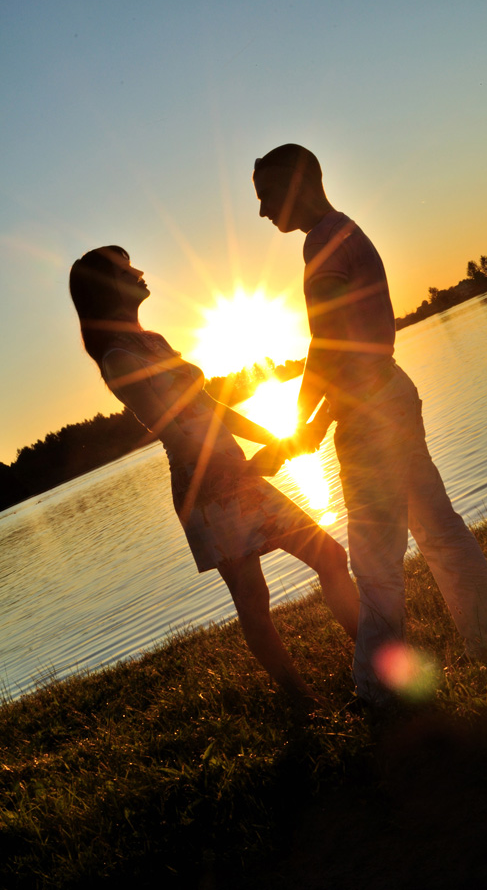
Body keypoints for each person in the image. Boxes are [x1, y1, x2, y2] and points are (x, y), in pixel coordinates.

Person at [253, 144, 487, 705]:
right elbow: (355, 351)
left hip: (373, 413)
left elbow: (328, 345)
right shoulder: (346, 232)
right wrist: (317, 424)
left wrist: (300, 422)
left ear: (297, 184)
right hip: (388, 394)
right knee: (439, 529)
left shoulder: (321, 242)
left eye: (266, 195)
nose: (261, 210)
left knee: (373, 560)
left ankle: (378, 694)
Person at [69, 245, 359, 710]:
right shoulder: (120, 357)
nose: (141, 271)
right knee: (252, 595)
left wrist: (277, 437)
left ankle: (371, 657)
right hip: (204, 487)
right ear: (109, 288)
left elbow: (212, 408)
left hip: (234, 474)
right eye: (127, 269)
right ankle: (300, 699)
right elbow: (173, 432)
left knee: (328, 555)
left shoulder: (155, 342)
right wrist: (242, 469)